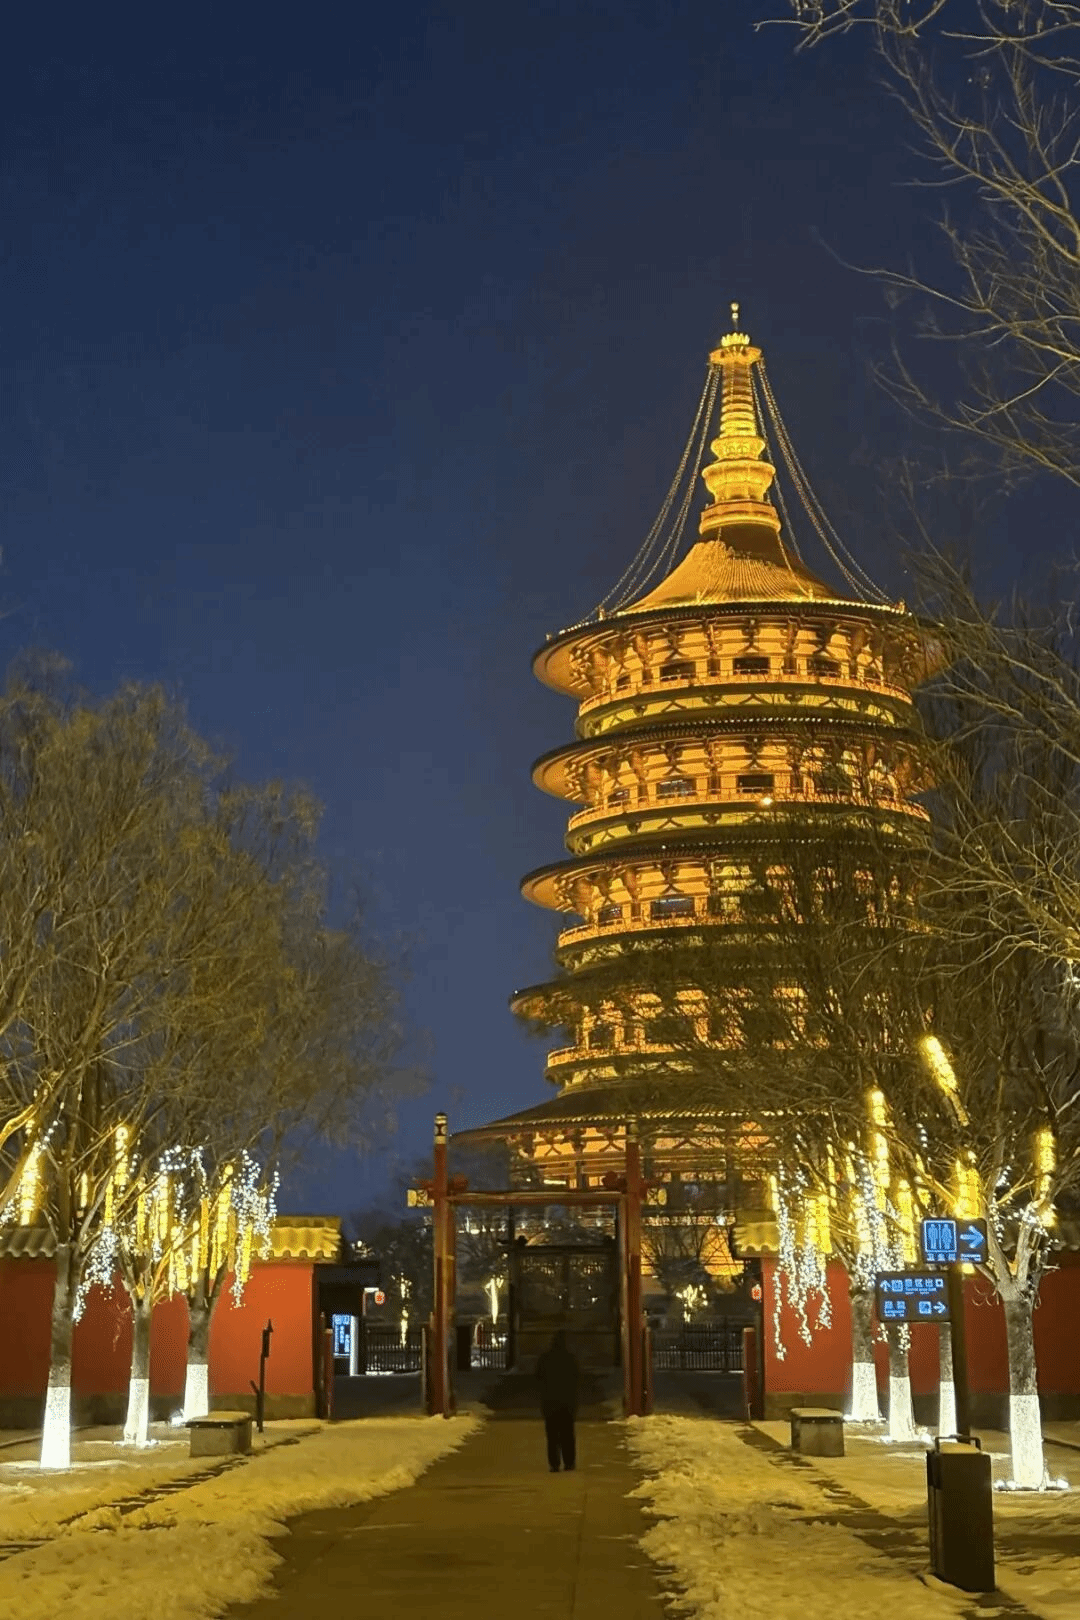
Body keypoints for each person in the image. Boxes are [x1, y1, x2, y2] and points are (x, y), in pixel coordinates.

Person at [536, 1328, 580, 1472]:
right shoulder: (570, 1359)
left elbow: (538, 1378)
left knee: (552, 1435)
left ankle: (554, 1463)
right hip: (567, 1402)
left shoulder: (545, 1359)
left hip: (550, 1402)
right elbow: (576, 1379)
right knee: (567, 1434)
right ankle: (569, 1462)